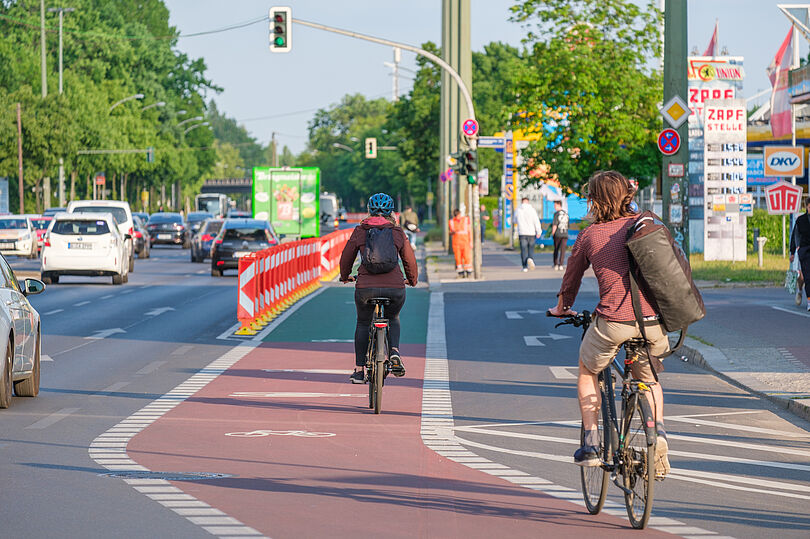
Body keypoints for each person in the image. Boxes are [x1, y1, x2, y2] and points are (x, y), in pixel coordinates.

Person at [548, 170, 670, 477]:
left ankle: (590, 442)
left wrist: (563, 307)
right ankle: (660, 435)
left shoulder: (590, 235)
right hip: (653, 323)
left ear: (593, 200)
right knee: (650, 379)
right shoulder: (644, 223)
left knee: (588, 370)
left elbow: (571, 278)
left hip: (613, 321)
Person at [340, 193, 418, 384]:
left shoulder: (360, 231)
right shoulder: (397, 232)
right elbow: (409, 260)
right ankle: (394, 352)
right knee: (393, 317)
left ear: (368, 210)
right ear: (391, 212)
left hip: (366, 288)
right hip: (395, 288)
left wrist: (345, 276)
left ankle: (359, 370)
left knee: (363, 323)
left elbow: (346, 257)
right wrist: (412, 280)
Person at [790, 197, 810, 310]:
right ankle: (800, 290)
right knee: (803, 277)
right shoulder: (801, 220)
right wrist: (793, 252)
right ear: (807, 207)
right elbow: (795, 236)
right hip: (803, 250)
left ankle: (809, 299)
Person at [514, 196, 542, 272]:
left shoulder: (518, 210)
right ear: (528, 202)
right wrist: (538, 231)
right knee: (531, 248)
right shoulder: (532, 210)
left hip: (522, 232)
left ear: (522, 202)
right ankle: (530, 258)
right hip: (531, 232)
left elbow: (514, 220)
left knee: (523, 249)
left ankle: (524, 266)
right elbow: (536, 221)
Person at [448, 209, 473, 278]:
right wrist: (453, 232)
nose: (458, 217)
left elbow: (469, 231)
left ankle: (469, 272)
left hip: (465, 242)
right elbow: (450, 232)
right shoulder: (451, 221)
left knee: (467, 258)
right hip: (456, 243)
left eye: (458, 215)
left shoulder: (465, 220)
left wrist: (471, 242)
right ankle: (460, 273)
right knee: (458, 259)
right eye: (456, 216)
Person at [550, 200, 569, 271]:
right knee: (563, 250)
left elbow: (555, 224)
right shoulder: (566, 214)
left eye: (555, 205)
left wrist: (553, 233)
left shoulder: (556, 214)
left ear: (559, 205)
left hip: (558, 233)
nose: (554, 207)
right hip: (565, 233)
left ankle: (555, 264)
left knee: (556, 249)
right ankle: (561, 264)